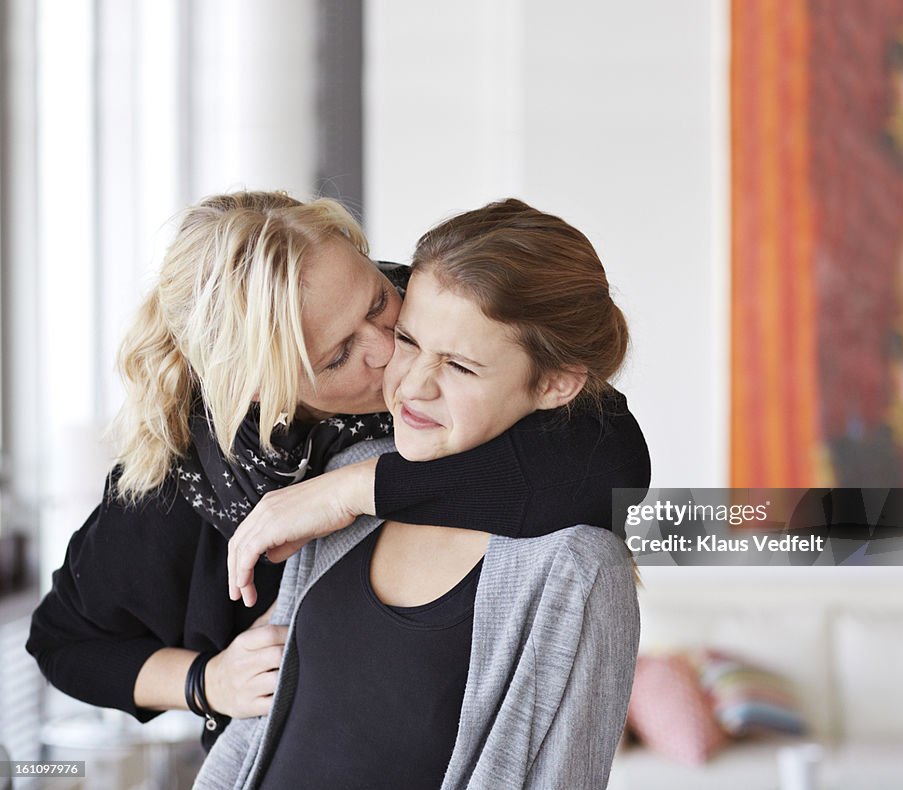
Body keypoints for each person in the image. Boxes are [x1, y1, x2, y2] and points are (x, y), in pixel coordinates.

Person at [25, 192, 650, 750]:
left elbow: (613, 462)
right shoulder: (183, 479)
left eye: (380, 303)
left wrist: (354, 488)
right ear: (259, 389)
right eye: (339, 356)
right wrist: (205, 682)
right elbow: (63, 644)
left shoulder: (437, 321)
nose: (389, 355)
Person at [195, 198, 640, 790]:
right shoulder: (345, 479)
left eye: (459, 366)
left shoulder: (580, 569)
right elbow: (261, 728)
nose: (410, 382)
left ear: (555, 384)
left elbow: (565, 777)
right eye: (408, 339)